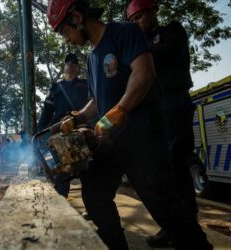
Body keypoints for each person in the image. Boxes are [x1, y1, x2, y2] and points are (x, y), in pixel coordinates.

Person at [46, 0, 212, 249]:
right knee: (95, 195)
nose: (66, 39)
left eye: (64, 31)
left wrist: (115, 114)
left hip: (142, 137)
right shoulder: (92, 58)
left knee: (164, 206)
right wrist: (77, 117)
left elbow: (143, 73)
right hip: (110, 143)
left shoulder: (125, 32)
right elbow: (95, 99)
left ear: (77, 17)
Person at [126, 0, 199, 247]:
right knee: (162, 170)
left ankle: (189, 228)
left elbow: (165, 55)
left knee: (176, 165)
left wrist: (137, 52)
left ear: (152, 12)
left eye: (138, 18)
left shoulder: (172, 31)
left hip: (175, 103)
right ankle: (175, 227)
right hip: (155, 109)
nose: (136, 24)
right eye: (132, 21)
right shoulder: (140, 43)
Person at [37, 53, 89, 197]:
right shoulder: (56, 88)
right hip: (59, 134)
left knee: (87, 171)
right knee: (61, 171)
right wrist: (40, 132)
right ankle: (61, 201)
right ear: (64, 67)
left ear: (78, 69)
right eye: (68, 62)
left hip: (81, 132)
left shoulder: (86, 84)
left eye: (74, 62)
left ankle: (93, 206)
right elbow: (46, 112)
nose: (71, 64)